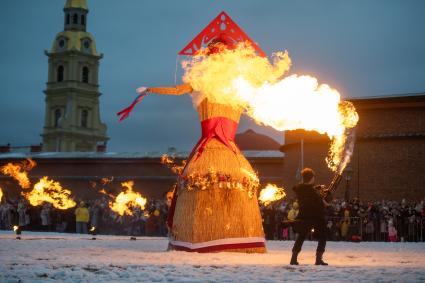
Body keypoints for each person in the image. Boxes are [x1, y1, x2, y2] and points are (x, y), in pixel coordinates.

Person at [290, 168, 328, 265]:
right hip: (316, 216)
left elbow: (305, 189)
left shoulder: (300, 189)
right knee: (323, 236)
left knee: (301, 236)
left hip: (303, 215)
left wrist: (317, 190)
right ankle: (318, 259)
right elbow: (320, 203)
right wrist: (323, 197)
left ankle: (293, 258)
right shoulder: (313, 192)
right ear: (311, 178)